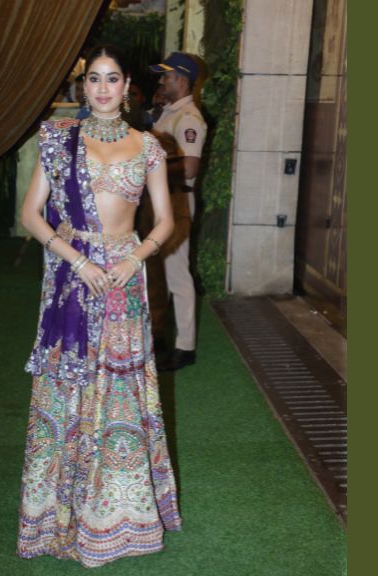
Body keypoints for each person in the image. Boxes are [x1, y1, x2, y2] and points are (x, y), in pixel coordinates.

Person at [17, 44, 181, 568]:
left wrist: (135, 259)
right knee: (69, 385)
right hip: (72, 276)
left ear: (127, 86)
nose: (103, 88)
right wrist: (78, 260)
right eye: (94, 79)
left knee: (120, 387)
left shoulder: (149, 146)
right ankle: (59, 511)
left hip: (124, 279)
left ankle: (119, 514)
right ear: (82, 86)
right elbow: (31, 215)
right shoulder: (57, 139)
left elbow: (165, 221)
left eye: (112, 79)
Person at [148, 52, 208, 372]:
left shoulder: (188, 118)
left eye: (166, 76)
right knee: (159, 274)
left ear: (182, 80)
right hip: (163, 201)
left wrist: (147, 170)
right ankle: (158, 336)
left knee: (176, 274)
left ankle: (185, 347)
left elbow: (189, 167)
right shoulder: (169, 113)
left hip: (177, 201)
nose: (161, 81)